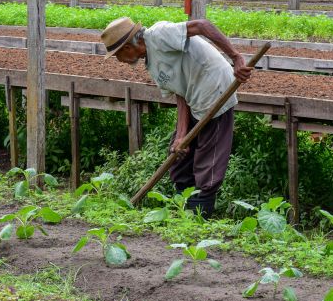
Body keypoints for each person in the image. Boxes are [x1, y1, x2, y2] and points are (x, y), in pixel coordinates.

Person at [101, 17, 252, 217]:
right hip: (193, 98)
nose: (119, 60)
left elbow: (201, 25)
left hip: (215, 89)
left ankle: (200, 216)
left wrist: (236, 57)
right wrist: (181, 135)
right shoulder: (152, 64)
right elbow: (180, 94)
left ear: (128, 47)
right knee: (178, 156)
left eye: (117, 55)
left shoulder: (158, 35)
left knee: (209, 160)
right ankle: (185, 212)